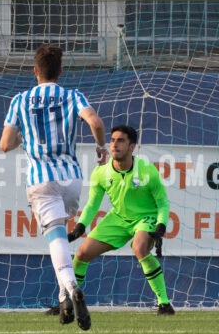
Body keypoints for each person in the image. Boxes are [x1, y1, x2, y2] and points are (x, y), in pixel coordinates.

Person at [0, 44, 107, 331]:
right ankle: (64, 300)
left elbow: (5, 144)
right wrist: (101, 147)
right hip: (71, 179)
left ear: (35, 71)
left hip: (41, 177)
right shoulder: (73, 95)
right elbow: (95, 122)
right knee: (62, 230)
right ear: (60, 71)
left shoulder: (20, 100)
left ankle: (72, 288)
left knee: (56, 238)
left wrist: (25, 138)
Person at [66, 125, 175, 315]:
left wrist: (160, 227)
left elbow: (163, 203)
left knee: (139, 248)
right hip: (118, 218)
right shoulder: (101, 173)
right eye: (112, 140)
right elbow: (92, 204)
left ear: (132, 147)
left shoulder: (147, 171)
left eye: (121, 140)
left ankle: (164, 304)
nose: (114, 144)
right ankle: (67, 303)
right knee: (82, 253)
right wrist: (80, 226)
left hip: (145, 217)